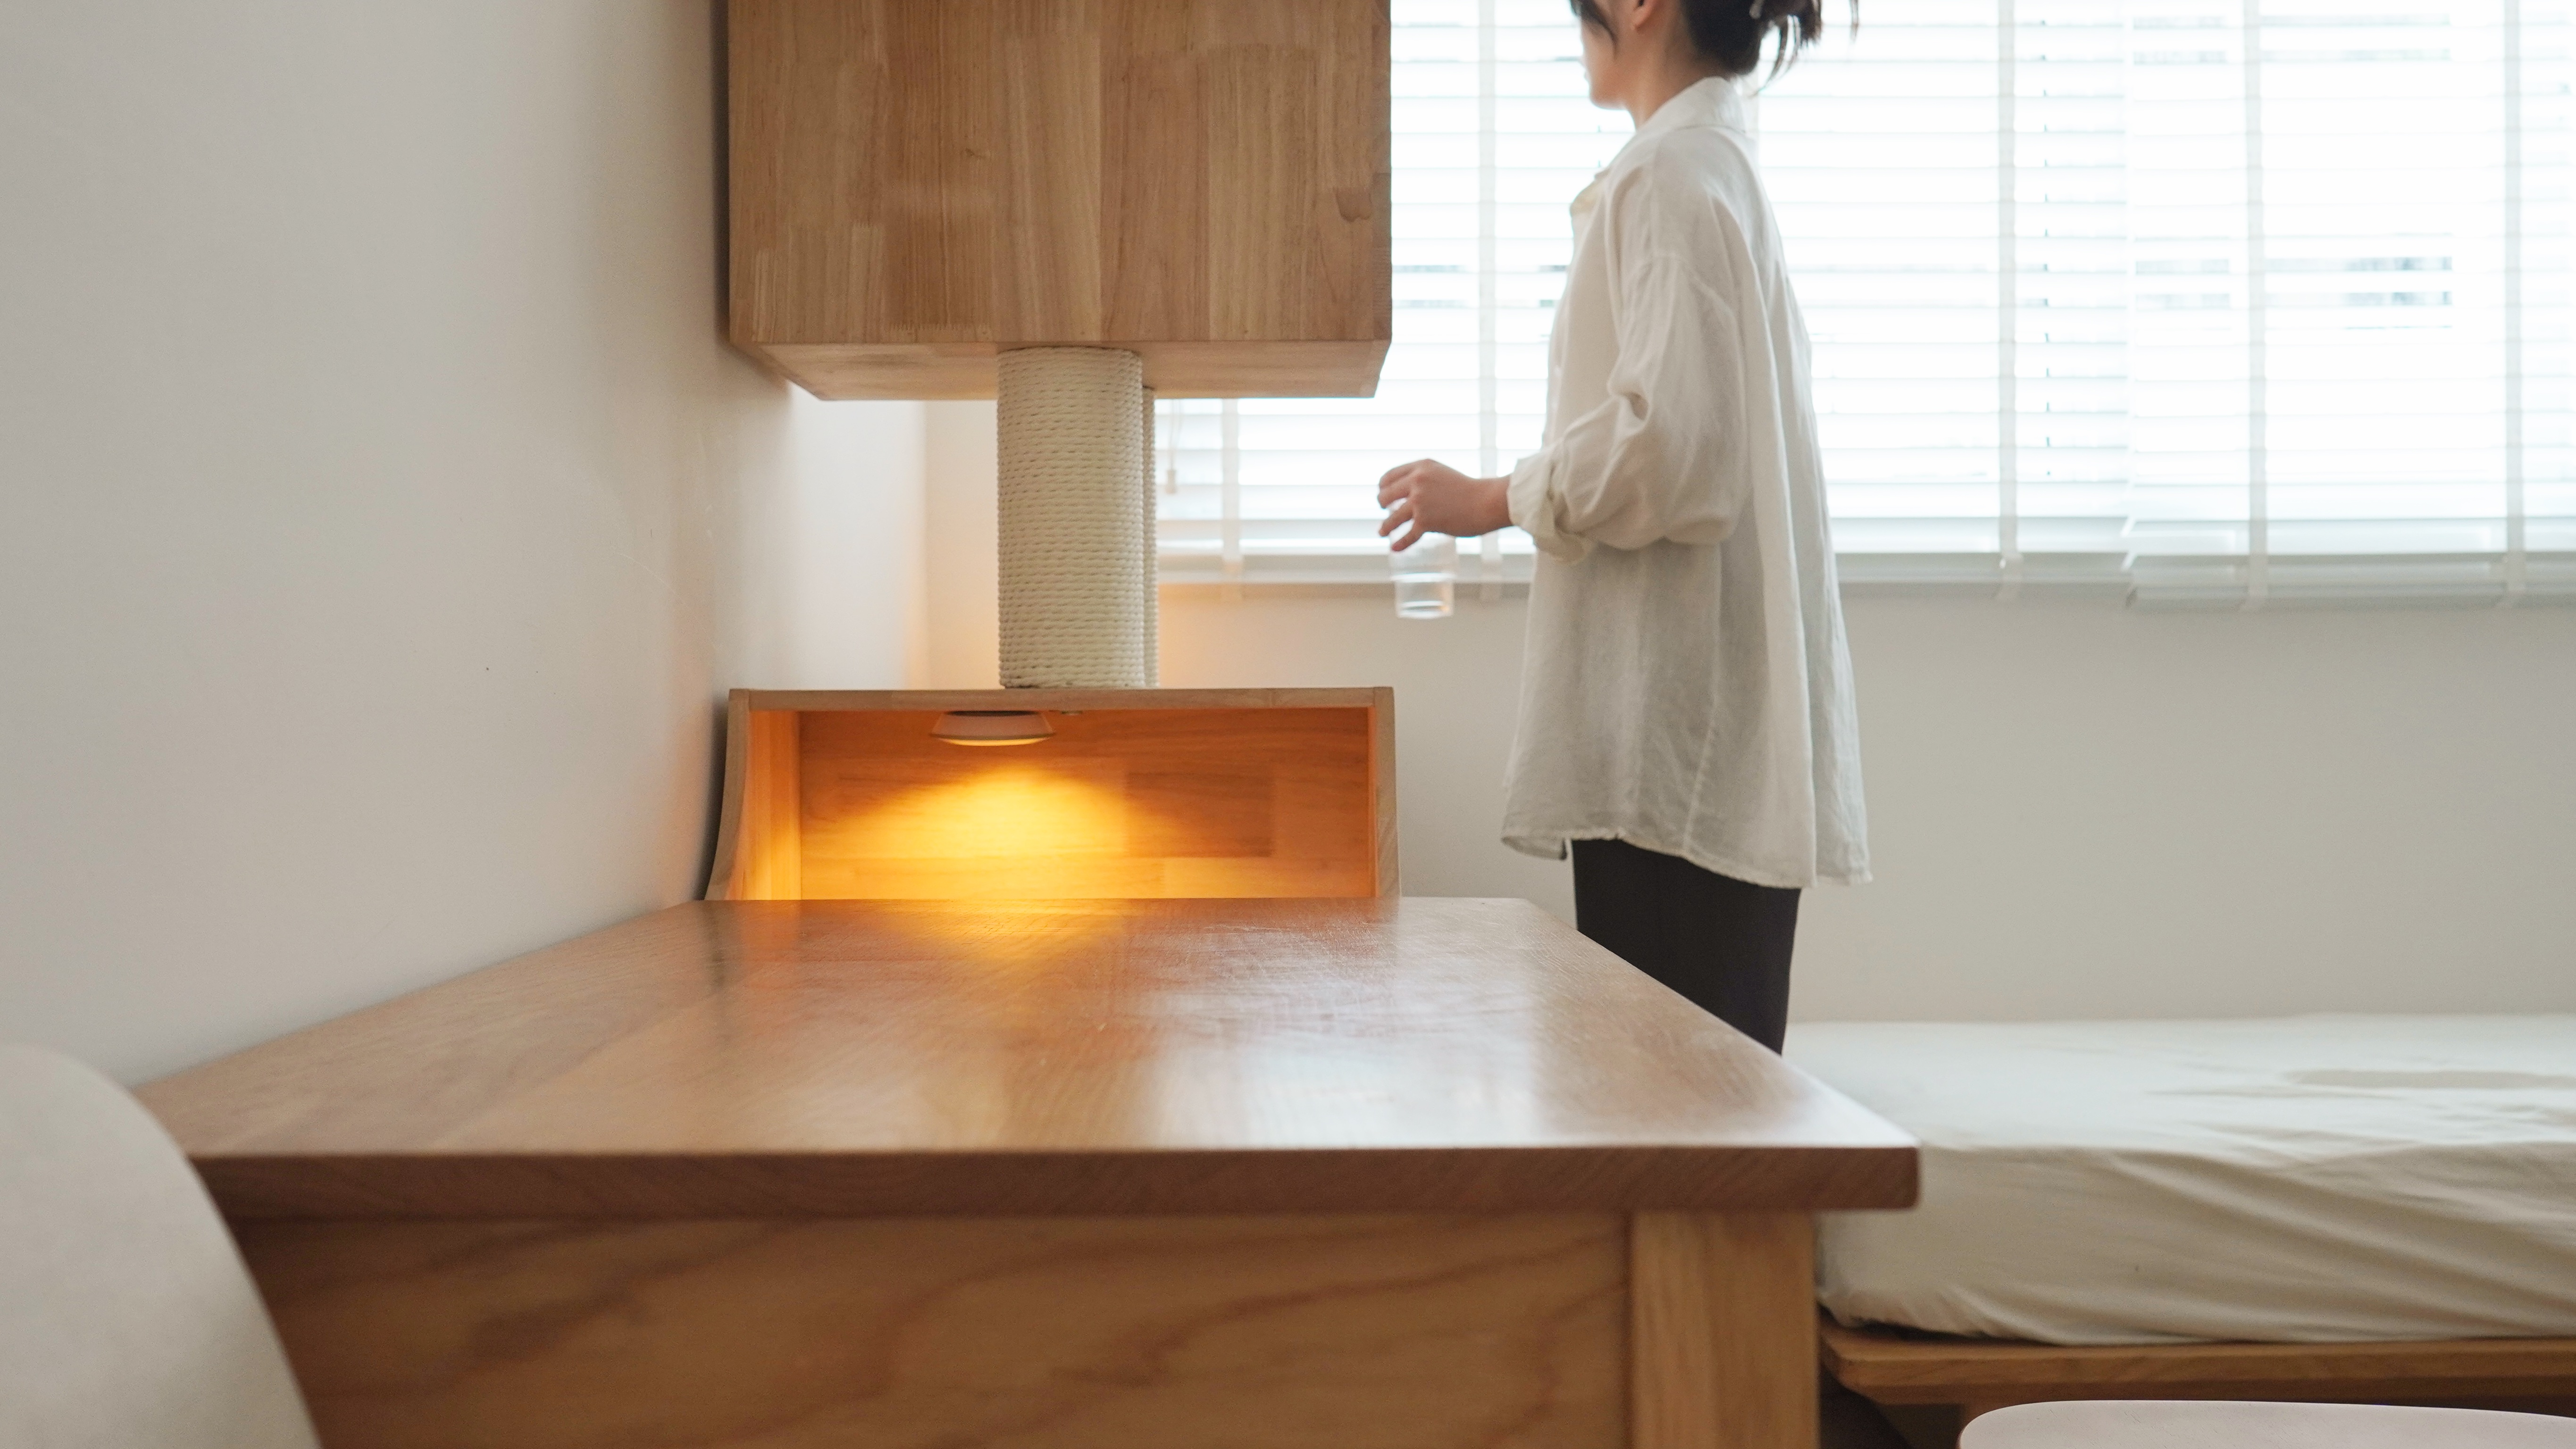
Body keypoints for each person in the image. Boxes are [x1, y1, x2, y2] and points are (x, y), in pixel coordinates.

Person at [1377, 0, 1866, 1053]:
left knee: (1670, 1124)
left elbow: (1676, 455)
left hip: (1669, 748)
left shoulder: (1670, 177)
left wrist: (1495, 498)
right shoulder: (1708, 168)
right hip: (1699, 746)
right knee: (1703, 1115)